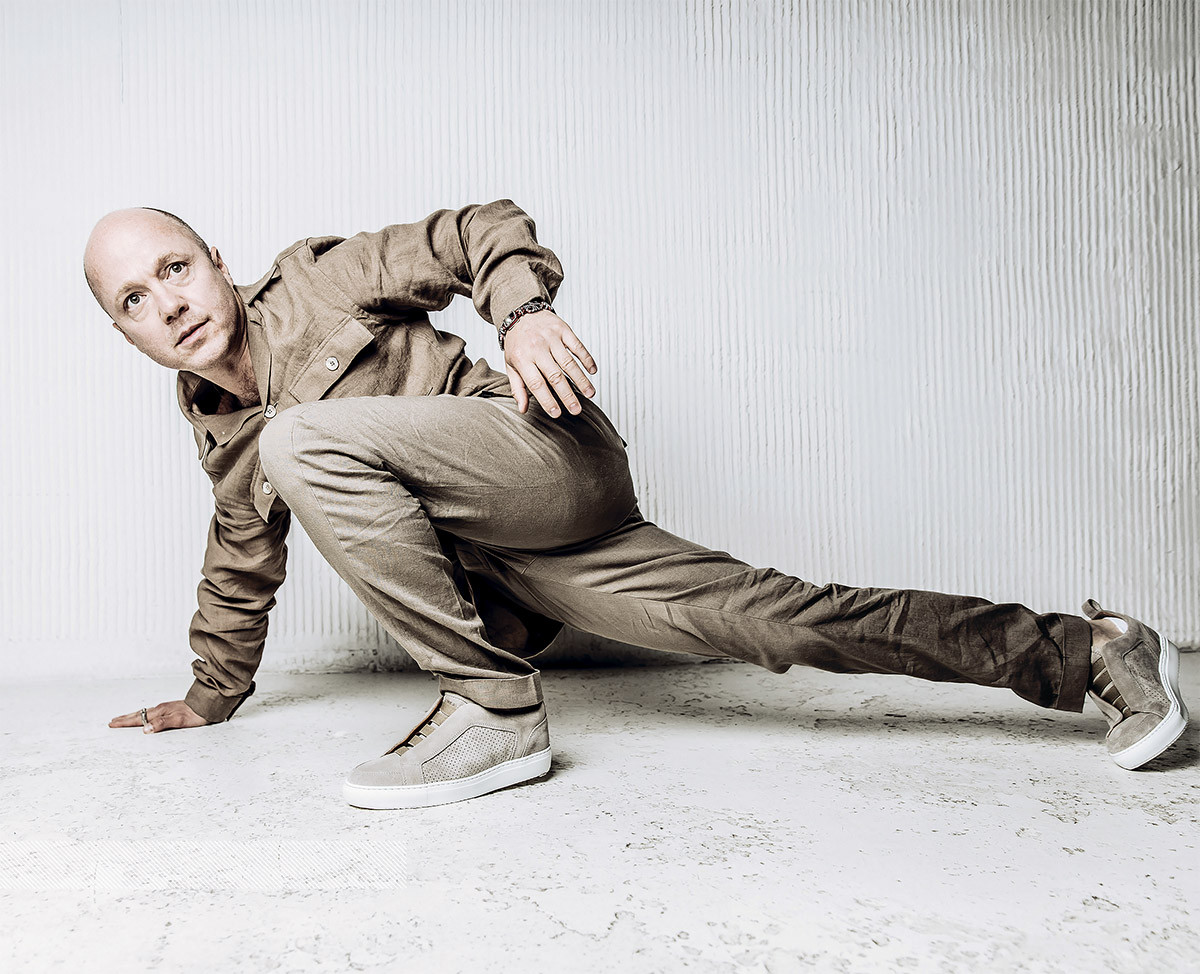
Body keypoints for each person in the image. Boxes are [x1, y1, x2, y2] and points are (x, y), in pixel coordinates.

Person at [85, 201, 1189, 809]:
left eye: (174, 268)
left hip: (546, 458)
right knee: (780, 619)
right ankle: (1090, 649)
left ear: (216, 260)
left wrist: (520, 314)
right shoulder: (225, 439)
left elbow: (476, 229)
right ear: (125, 333)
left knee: (303, 439)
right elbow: (239, 563)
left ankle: (489, 708)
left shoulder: (317, 279)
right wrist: (210, 695)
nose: (168, 303)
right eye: (135, 299)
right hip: (531, 566)